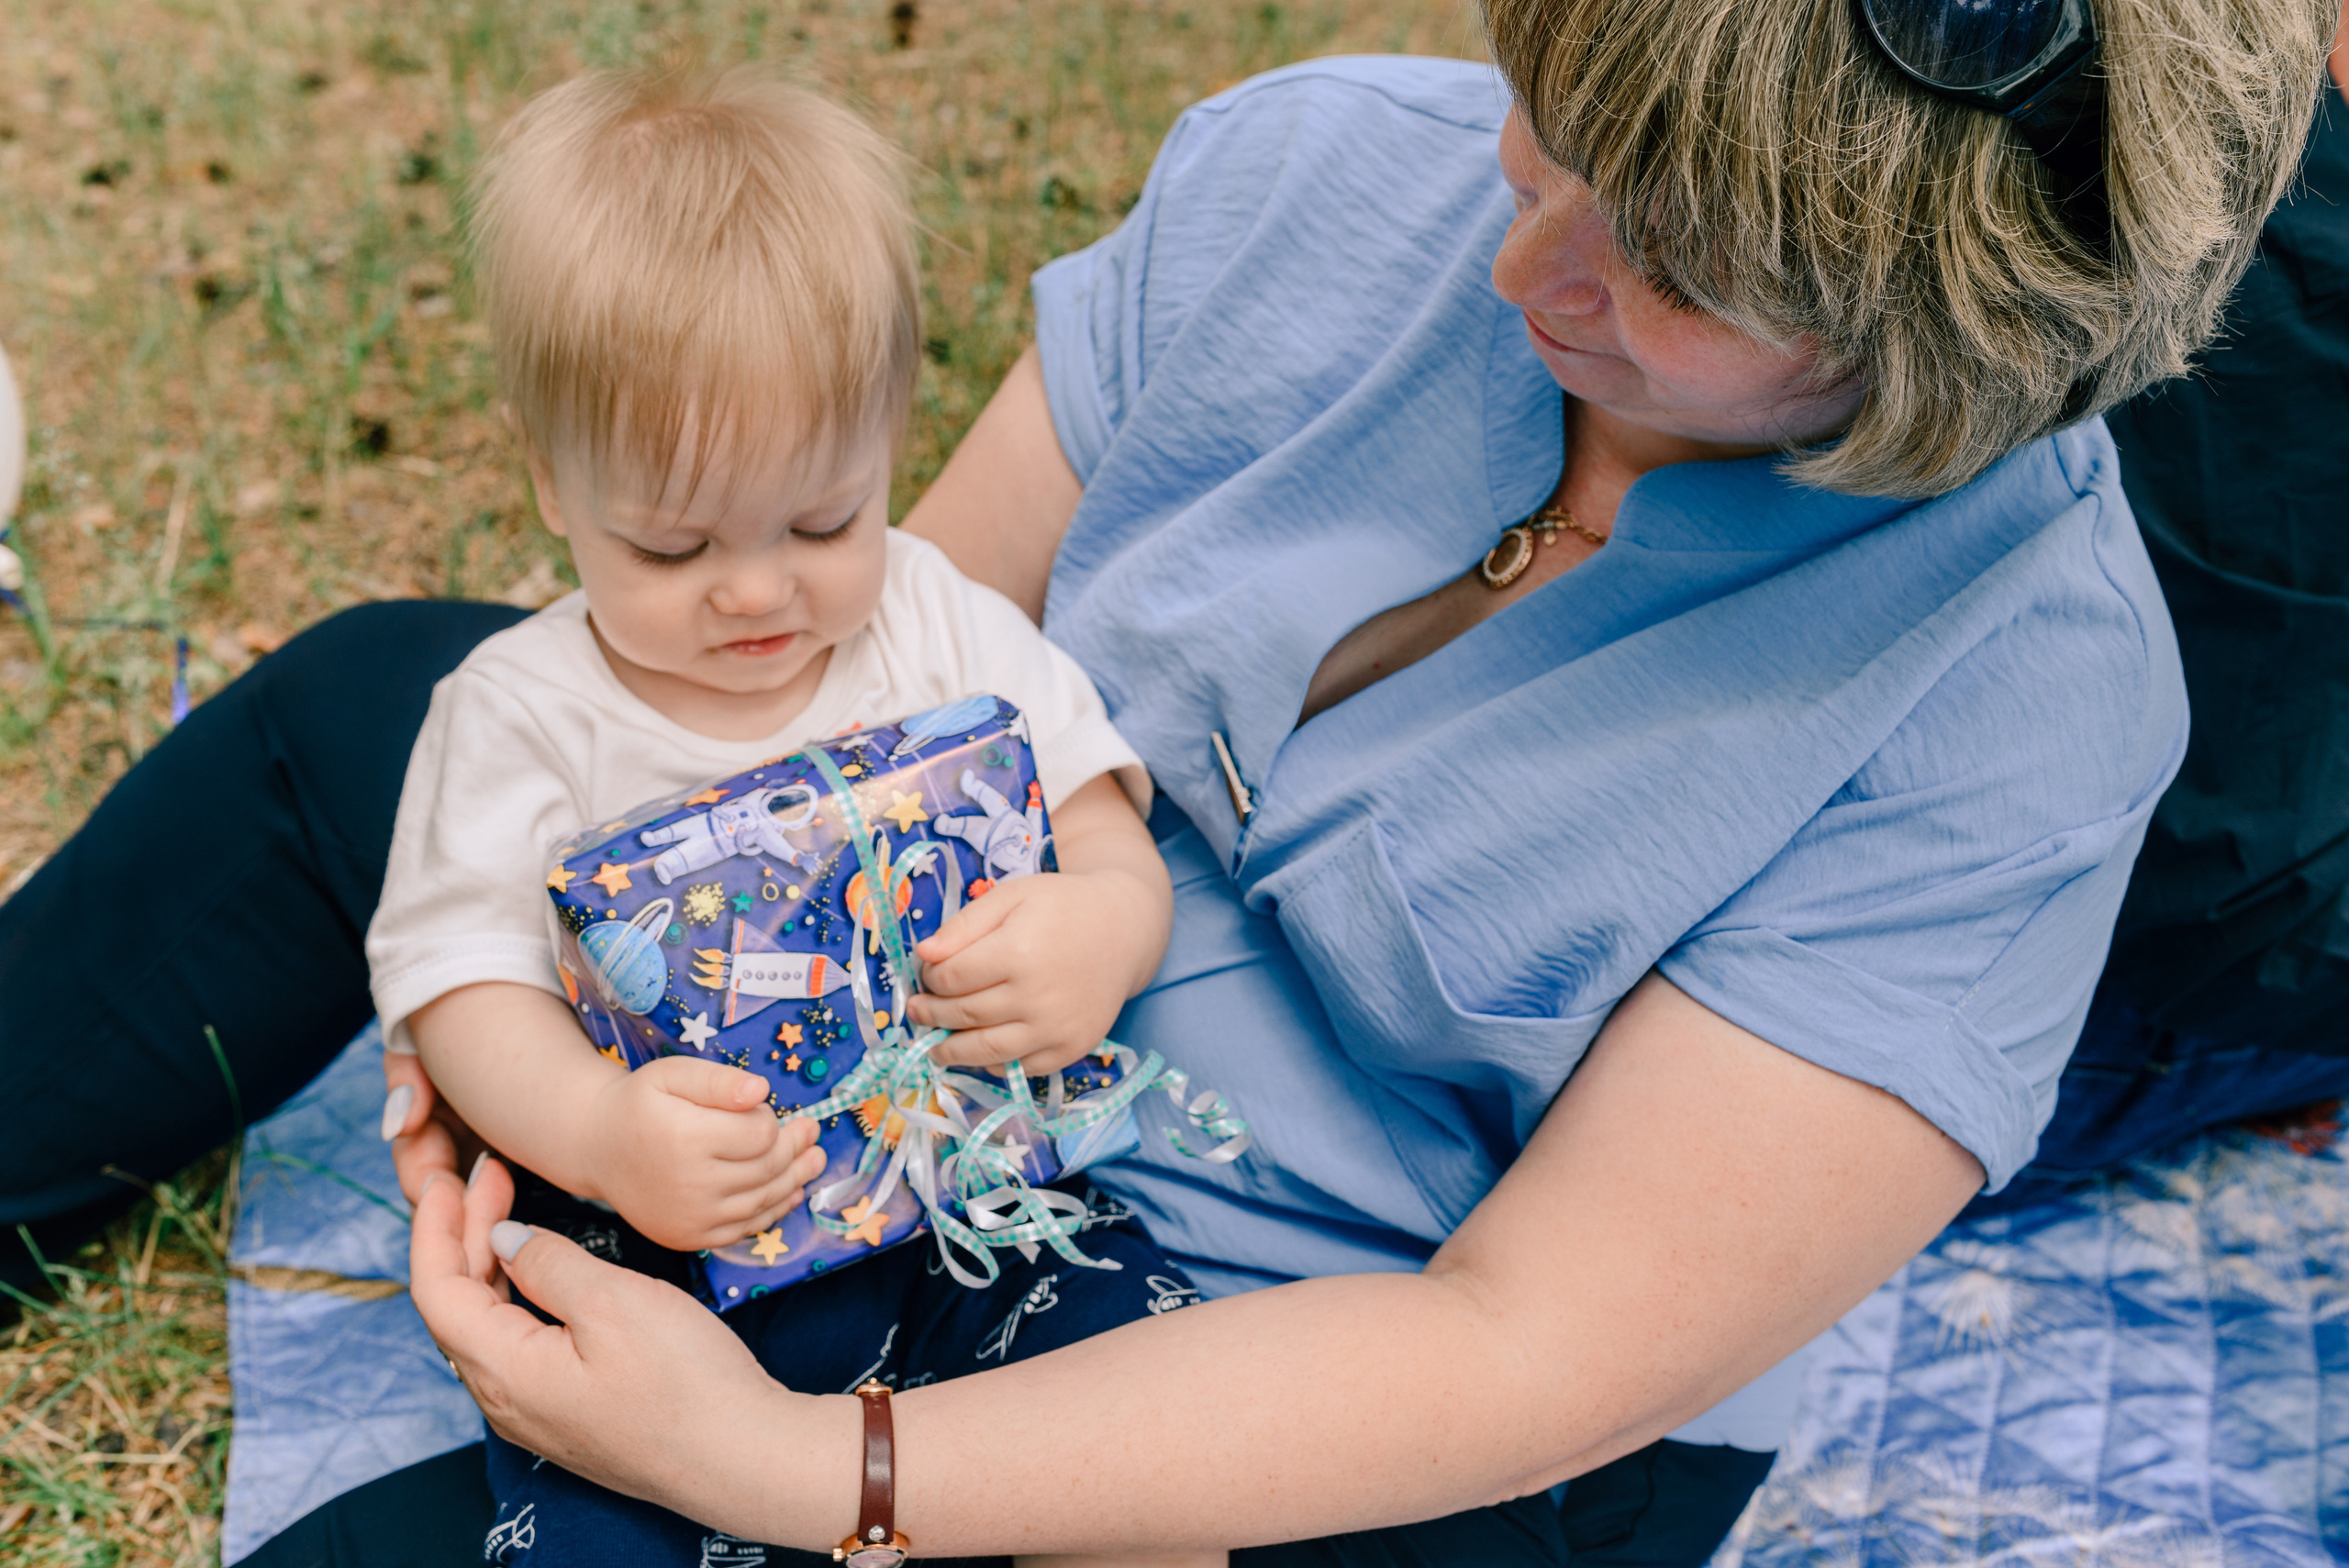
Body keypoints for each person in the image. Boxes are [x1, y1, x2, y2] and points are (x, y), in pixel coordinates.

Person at [0, 0, 2328, 1563]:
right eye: (1553, 116)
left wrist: (822, 1470)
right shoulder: (1334, 170)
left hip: (1225, 1343)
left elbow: (1514, 1350)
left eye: (1675, 262)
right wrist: (528, 973)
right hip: (856, 1071)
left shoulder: (2013, 704)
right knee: (377, 722)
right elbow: (886, 660)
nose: (1525, 247)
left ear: (1940, 354)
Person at [365, 65, 1214, 1568]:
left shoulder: (940, 621)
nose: (759, 589)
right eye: (673, 542)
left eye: (825, 518)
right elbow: (461, 988)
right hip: (669, 1248)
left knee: (1156, 1466)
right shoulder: (518, 712)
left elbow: (1099, 820)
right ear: (552, 482)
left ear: (893, 430)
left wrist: (1099, 926)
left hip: (982, 1199)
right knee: (600, 1533)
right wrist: (601, 1130)